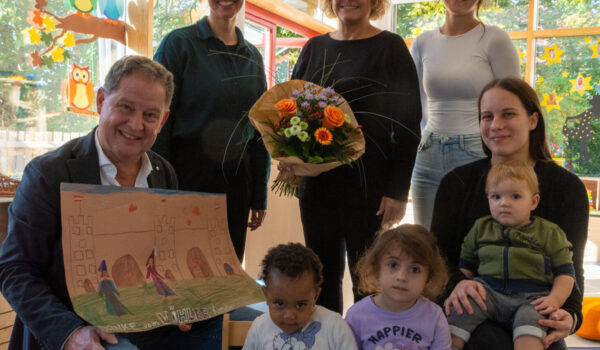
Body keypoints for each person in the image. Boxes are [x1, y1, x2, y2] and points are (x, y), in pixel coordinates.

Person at [0, 55, 257, 350]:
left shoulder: (164, 173)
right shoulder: (49, 173)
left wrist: (185, 300)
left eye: (150, 115)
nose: (136, 124)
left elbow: (166, 259)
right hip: (83, 327)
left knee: (264, 326)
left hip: (158, 324)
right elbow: (14, 269)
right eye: (125, 107)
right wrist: (70, 333)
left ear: (163, 120)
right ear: (100, 101)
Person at [431, 77, 588, 350]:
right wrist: (457, 284)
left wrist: (571, 315)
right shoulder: (456, 183)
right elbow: (438, 256)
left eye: (508, 114)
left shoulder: (567, 188)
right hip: (478, 303)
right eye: (487, 116)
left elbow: (572, 267)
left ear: (533, 121)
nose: (496, 125)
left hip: (536, 305)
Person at [291, 0, 421, 313]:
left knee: (367, 280)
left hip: (369, 188)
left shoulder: (389, 48)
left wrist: (397, 190)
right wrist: (290, 156)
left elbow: (408, 124)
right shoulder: (314, 48)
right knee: (320, 277)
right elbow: (289, 109)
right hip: (316, 188)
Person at [153, 0, 270, 262]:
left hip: (238, 182)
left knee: (227, 273)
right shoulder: (179, 44)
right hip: (186, 178)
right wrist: (159, 187)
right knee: (182, 268)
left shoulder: (252, 56)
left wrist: (259, 195)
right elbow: (159, 121)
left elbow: (260, 130)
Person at [410, 0, 521, 229]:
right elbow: (416, 105)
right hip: (427, 153)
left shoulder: (495, 39)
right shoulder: (422, 42)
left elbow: (514, 104)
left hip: (476, 152)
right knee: (425, 245)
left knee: (473, 243)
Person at [447, 160, 575, 350]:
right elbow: (466, 267)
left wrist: (555, 300)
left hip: (532, 298)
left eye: (515, 196)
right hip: (488, 292)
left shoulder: (549, 233)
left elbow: (565, 273)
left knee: (533, 325)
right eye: (496, 196)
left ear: (533, 201)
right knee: (459, 311)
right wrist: (461, 286)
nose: (504, 203)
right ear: (488, 199)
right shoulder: (480, 228)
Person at [345, 224, 451, 350]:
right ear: (377, 268)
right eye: (393, 265)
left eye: (415, 269)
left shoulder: (435, 317)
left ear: (428, 278)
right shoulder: (356, 316)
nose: (402, 277)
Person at [243, 243, 358, 350]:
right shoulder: (259, 328)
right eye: (279, 304)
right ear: (266, 295)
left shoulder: (334, 327)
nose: (289, 316)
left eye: (300, 305)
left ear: (315, 296)